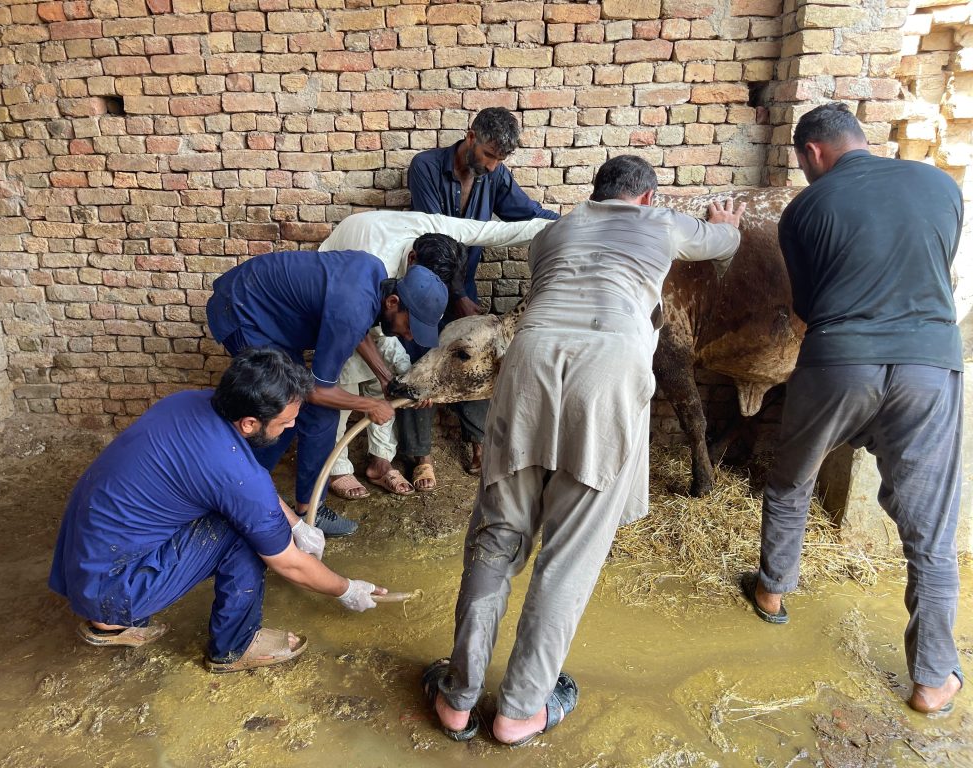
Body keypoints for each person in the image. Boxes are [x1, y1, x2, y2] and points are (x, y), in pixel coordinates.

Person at [423, 155, 744, 745]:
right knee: (568, 556)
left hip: (531, 362)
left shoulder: (553, 232)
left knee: (497, 539)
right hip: (607, 369)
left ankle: (457, 698)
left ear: (594, 194)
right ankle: (519, 710)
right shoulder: (663, 223)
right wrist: (724, 220)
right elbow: (725, 238)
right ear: (646, 198)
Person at [740, 103, 965, 715]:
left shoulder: (807, 208)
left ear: (812, 153)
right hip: (928, 363)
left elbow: (809, 306)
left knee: (792, 481)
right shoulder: (942, 186)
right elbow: (935, 272)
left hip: (837, 361)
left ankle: (771, 594)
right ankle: (930, 679)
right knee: (932, 529)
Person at [49, 348, 389, 673]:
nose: (290, 428)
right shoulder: (233, 473)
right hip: (114, 585)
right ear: (249, 423)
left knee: (246, 514)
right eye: (285, 423)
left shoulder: (186, 402)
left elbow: (243, 482)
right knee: (244, 533)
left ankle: (107, 624)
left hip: (85, 560)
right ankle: (236, 646)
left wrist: (297, 524)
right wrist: (347, 588)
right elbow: (288, 562)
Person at [206, 250, 448, 537]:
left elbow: (358, 333)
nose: (409, 336)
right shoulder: (353, 309)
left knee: (308, 414)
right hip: (244, 312)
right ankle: (239, 491)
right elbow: (318, 391)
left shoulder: (374, 275)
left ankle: (292, 502)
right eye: (410, 326)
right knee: (285, 407)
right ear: (393, 302)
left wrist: (386, 379)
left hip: (268, 313)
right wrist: (371, 405)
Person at [318, 210, 554, 498]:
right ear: (413, 262)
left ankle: (380, 461)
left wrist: (560, 225)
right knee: (346, 378)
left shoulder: (439, 232)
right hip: (339, 285)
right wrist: (394, 376)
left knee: (385, 385)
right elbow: (366, 334)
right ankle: (337, 467)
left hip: (380, 280)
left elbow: (493, 232)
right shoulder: (377, 265)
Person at [406, 107, 561, 482]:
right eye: (490, 155)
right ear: (471, 136)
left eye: (500, 159)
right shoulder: (425, 167)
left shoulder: (497, 177)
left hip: (465, 286)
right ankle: (420, 454)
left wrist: (572, 227)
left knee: (477, 356)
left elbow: (530, 215)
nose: (493, 166)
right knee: (420, 356)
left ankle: (478, 441)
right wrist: (456, 294)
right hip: (426, 282)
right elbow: (436, 236)